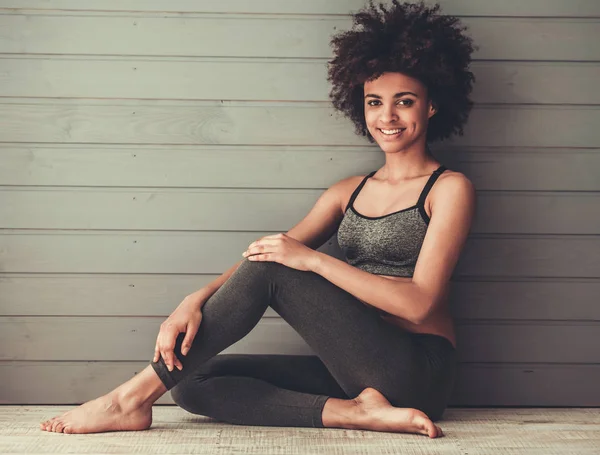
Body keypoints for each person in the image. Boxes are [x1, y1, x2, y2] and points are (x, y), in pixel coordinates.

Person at [40, 0, 476, 438]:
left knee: (281, 263)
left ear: (432, 106)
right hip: (355, 365)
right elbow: (264, 255)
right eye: (374, 102)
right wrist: (194, 299)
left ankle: (128, 400)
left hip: (417, 371)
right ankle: (356, 412)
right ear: (359, 107)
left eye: (404, 102)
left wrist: (314, 260)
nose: (388, 117)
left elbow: (420, 303)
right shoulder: (348, 192)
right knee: (192, 382)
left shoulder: (448, 188)